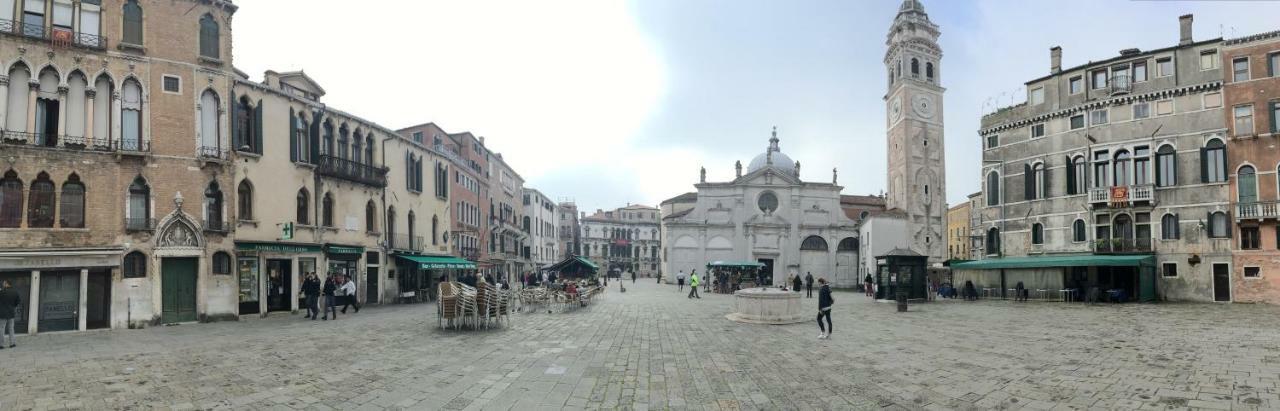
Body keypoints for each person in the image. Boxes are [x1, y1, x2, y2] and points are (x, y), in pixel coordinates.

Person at [0, 280, 19, 348]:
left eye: (4, 283)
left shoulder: (1, 292)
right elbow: (17, 302)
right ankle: (12, 343)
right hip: (11, 313)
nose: (3, 284)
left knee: (1, 329)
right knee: (11, 328)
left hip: (2, 314)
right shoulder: (15, 292)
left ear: (7, 284)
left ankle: (1, 345)